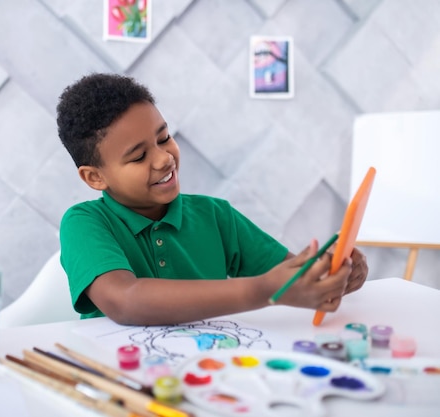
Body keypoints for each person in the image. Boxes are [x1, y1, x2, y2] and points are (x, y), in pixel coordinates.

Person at [56, 73, 368, 326]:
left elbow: (290, 277)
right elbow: (125, 301)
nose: (164, 158)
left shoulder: (215, 216)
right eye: (138, 156)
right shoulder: (84, 223)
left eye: (164, 138)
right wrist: (262, 290)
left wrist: (333, 274)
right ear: (95, 177)